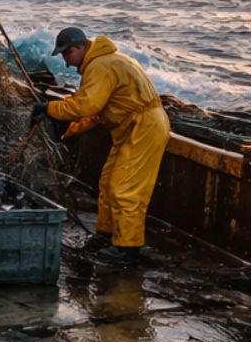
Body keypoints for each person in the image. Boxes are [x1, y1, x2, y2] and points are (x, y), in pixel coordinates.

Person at [34, 26, 170, 266]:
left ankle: (128, 249)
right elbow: (96, 113)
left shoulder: (100, 66)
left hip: (144, 128)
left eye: (66, 55)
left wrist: (49, 108)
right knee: (107, 183)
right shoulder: (103, 63)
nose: (66, 64)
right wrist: (70, 131)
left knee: (125, 189)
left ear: (77, 49)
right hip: (128, 129)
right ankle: (106, 236)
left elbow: (84, 106)